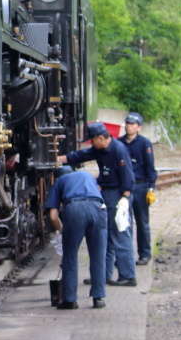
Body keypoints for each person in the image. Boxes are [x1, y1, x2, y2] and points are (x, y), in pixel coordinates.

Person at [58, 121, 137, 286]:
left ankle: (128, 276)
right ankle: (102, 276)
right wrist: (61, 159)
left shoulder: (119, 150)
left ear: (101, 138)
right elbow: (82, 155)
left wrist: (125, 198)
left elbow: (128, 176)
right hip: (107, 193)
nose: (91, 144)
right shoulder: (99, 149)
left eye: (92, 140)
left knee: (120, 234)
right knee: (105, 236)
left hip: (118, 195)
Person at [45, 165, 108, 309]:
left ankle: (70, 299)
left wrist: (62, 232)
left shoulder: (60, 181)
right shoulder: (87, 176)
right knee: (98, 255)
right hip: (99, 208)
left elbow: (53, 216)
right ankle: (98, 298)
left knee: (70, 255)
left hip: (75, 209)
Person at [119, 112, 158, 265]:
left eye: (133, 124)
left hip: (141, 186)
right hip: (124, 187)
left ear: (139, 127)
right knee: (123, 222)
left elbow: (150, 166)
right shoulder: (119, 143)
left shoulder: (144, 143)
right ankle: (124, 257)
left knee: (142, 222)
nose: (129, 126)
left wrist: (151, 187)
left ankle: (145, 254)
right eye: (128, 123)